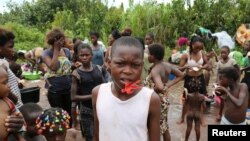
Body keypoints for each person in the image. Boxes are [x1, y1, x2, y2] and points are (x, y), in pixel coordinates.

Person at [92, 37, 161, 141]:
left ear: (142, 66)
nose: (128, 71)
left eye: (135, 65)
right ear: (109, 63)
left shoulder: (150, 99)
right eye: (120, 63)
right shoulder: (98, 93)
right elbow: (97, 135)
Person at [144, 43, 184, 141]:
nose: (147, 56)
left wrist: (148, 93)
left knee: (154, 128)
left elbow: (160, 87)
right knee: (164, 126)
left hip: (157, 102)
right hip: (164, 100)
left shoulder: (155, 70)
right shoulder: (167, 65)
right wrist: (169, 85)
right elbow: (181, 75)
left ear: (153, 56)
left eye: (148, 54)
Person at [71, 43, 107, 141]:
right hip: (86, 109)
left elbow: (105, 87)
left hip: (101, 107)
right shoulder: (76, 74)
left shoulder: (98, 69)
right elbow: (73, 97)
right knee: (90, 135)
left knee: (103, 133)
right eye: (82, 55)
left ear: (92, 55)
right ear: (78, 57)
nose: (84, 57)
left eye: (87, 55)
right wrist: (93, 96)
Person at [178, 35, 211, 124]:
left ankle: (202, 118)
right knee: (186, 99)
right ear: (191, 45)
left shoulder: (202, 53)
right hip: (189, 79)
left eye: (200, 48)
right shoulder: (186, 55)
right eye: (196, 48)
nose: (198, 50)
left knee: (202, 99)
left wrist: (203, 67)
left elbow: (208, 65)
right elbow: (179, 68)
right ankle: (182, 118)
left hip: (200, 78)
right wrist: (186, 66)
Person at [42, 28, 72, 123]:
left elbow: (67, 68)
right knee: (58, 116)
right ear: (53, 41)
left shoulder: (66, 51)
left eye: (63, 39)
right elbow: (53, 67)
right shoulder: (46, 53)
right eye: (60, 40)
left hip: (68, 88)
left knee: (68, 115)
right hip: (55, 91)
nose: (62, 41)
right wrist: (56, 50)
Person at [0, 27, 25, 137]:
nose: (13, 50)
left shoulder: (4, 61)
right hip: (12, 107)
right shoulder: (1, 65)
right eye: (10, 47)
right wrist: (13, 99)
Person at [215, 46, 239, 121]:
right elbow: (218, 73)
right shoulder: (219, 63)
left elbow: (238, 69)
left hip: (232, 84)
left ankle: (231, 114)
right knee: (222, 99)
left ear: (228, 53)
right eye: (221, 53)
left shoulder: (232, 61)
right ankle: (220, 114)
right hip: (223, 84)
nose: (223, 54)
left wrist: (237, 80)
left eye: (225, 53)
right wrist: (218, 82)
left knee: (231, 98)